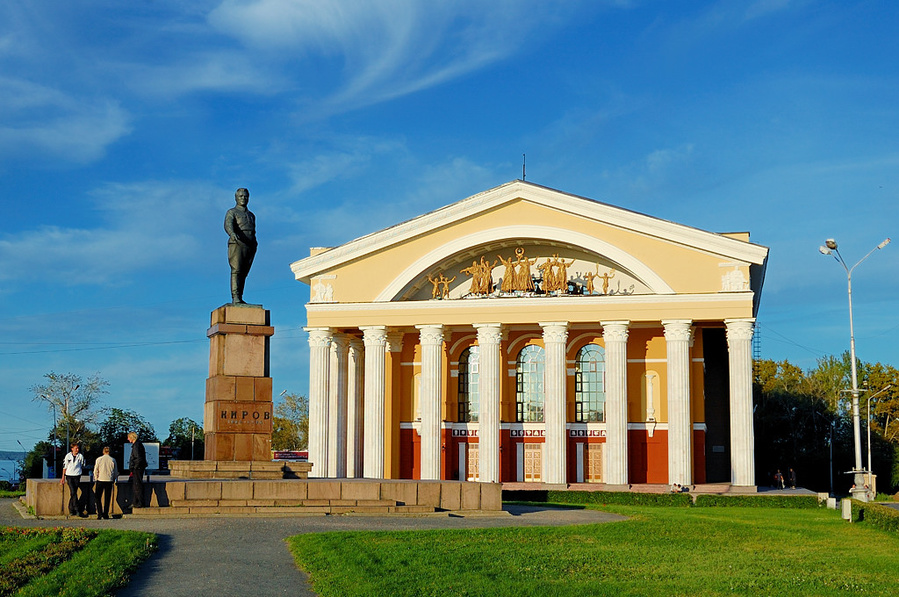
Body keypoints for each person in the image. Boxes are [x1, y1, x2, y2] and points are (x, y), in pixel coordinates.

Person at [224, 187, 257, 304]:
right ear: (236, 198)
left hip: (250, 245)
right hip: (237, 243)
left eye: (245, 196)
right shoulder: (232, 212)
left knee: (244, 272)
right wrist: (232, 234)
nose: (243, 198)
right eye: (241, 196)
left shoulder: (251, 215)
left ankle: (240, 296)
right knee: (236, 270)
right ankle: (235, 296)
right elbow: (228, 225)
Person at [60, 443, 86, 517]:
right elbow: (64, 467)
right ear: (72, 449)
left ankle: (71, 509)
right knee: (73, 491)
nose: (77, 450)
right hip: (69, 475)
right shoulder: (68, 456)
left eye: (77, 448)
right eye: (75, 448)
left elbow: (82, 465)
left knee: (73, 493)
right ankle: (77, 509)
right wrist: (63, 477)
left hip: (77, 475)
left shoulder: (80, 456)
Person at [93, 446, 118, 519]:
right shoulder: (113, 460)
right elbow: (115, 471)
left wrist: (96, 478)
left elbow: (95, 470)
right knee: (107, 498)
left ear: (103, 451)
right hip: (109, 480)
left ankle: (99, 513)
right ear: (110, 452)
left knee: (98, 497)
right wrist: (114, 478)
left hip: (100, 480)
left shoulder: (99, 459)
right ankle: (106, 514)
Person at [128, 432, 147, 509]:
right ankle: (136, 502)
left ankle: (139, 502)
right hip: (139, 467)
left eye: (129, 437)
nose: (128, 439)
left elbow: (137, 458)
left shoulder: (136, 446)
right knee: (137, 485)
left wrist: (134, 467)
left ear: (132, 438)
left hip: (137, 468)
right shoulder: (138, 444)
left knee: (137, 485)